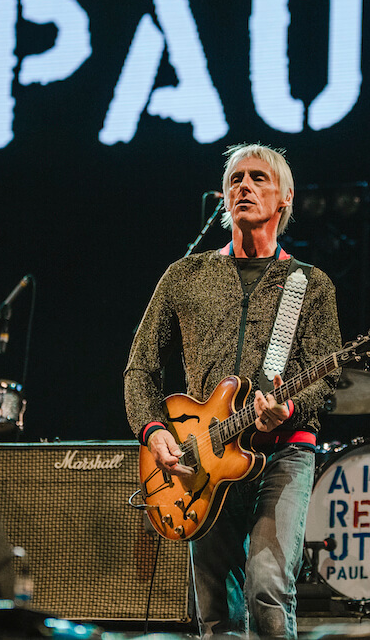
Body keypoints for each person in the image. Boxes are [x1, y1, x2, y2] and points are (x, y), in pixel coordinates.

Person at [125, 144, 342, 639]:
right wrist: (153, 430)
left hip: (283, 452)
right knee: (214, 607)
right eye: (236, 179)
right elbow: (140, 368)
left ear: (285, 198)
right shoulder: (184, 276)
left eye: (258, 178)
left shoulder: (309, 283)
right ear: (224, 196)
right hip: (202, 459)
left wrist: (287, 407)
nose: (244, 186)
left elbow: (325, 375)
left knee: (267, 586)